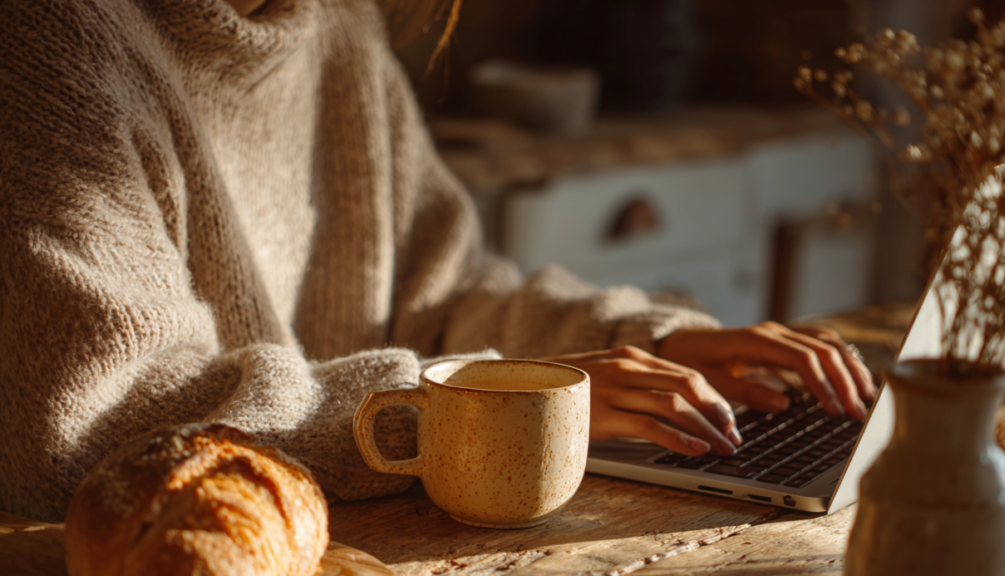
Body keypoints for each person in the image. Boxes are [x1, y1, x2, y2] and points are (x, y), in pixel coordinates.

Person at [0, 0, 875, 524]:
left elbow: (446, 293)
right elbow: (98, 430)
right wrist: (477, 411)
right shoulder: (51, 39)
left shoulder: (336, 25)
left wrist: (642, 342)